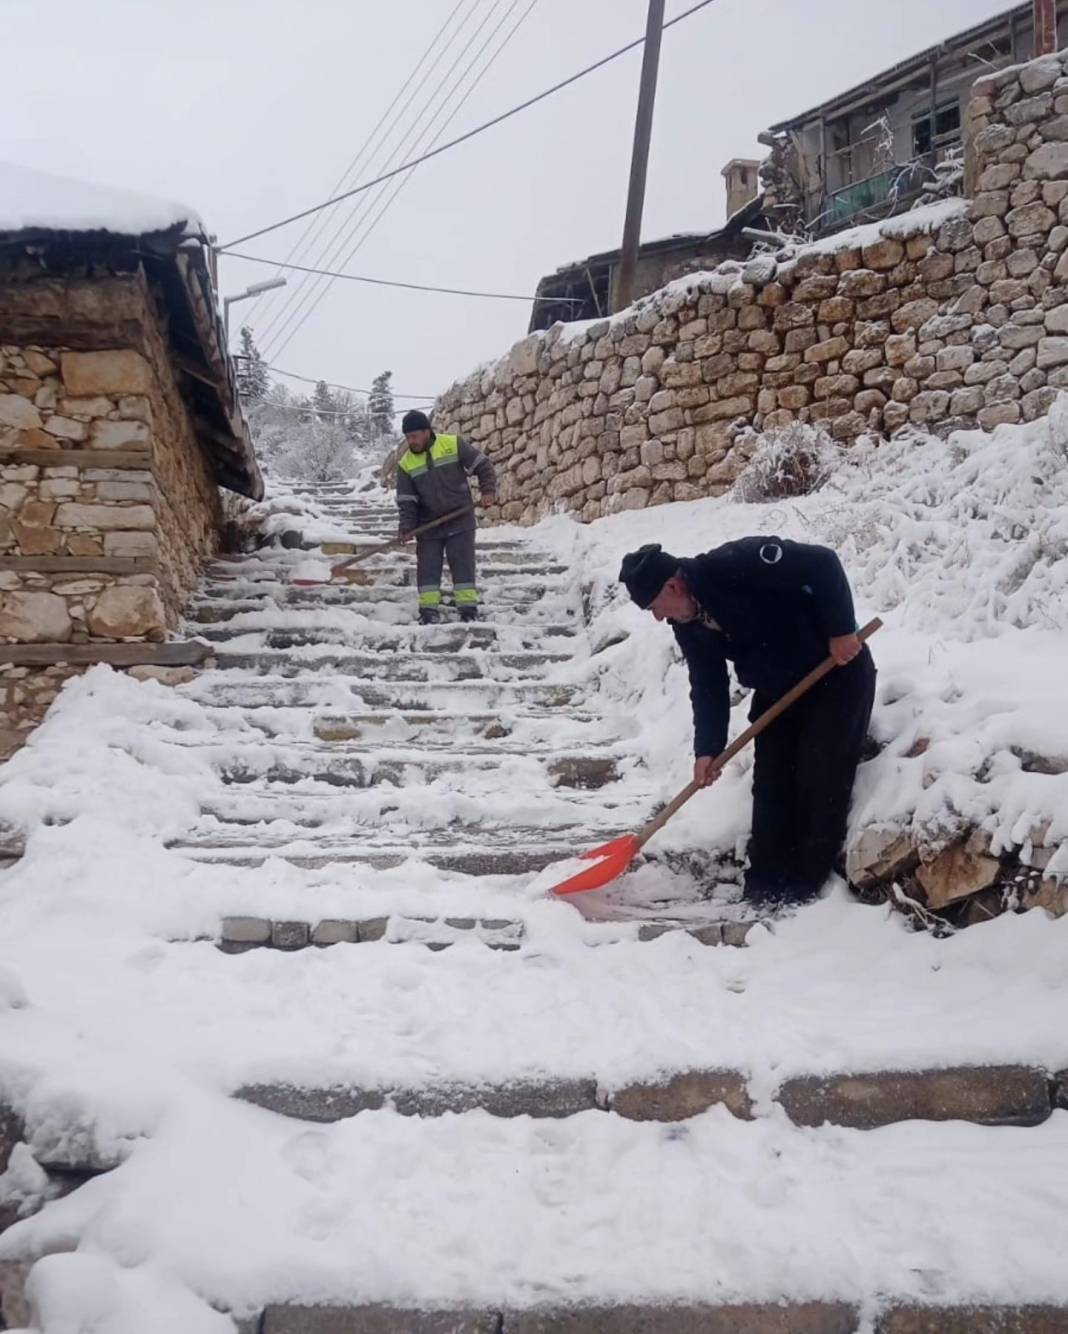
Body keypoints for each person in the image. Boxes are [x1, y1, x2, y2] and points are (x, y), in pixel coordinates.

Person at [618, 536, 875, 909]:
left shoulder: (736, 563)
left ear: (673, 586)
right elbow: (707, 683)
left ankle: (804, 888)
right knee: (771, 783)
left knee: (820, 776)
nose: (659, 617)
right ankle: (765, 885)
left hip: (833, 671)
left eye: (656, 607)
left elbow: (823, 563)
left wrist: (840, 630)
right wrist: (708, 749)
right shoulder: (687, 623)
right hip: (777, 690)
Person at [395, 410, 497, 623]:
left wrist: (488, 491)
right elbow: (407, 501)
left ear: (426, 432)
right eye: (408, 437)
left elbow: (482, 465)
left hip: (460, 519)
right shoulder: (406, 464)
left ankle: (468, 609)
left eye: (414, 436)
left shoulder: (452, 444)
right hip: (428, 526)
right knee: (428, 569)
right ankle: (429, 610)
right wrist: (406, 527)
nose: (411, 441)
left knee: (463, 564)